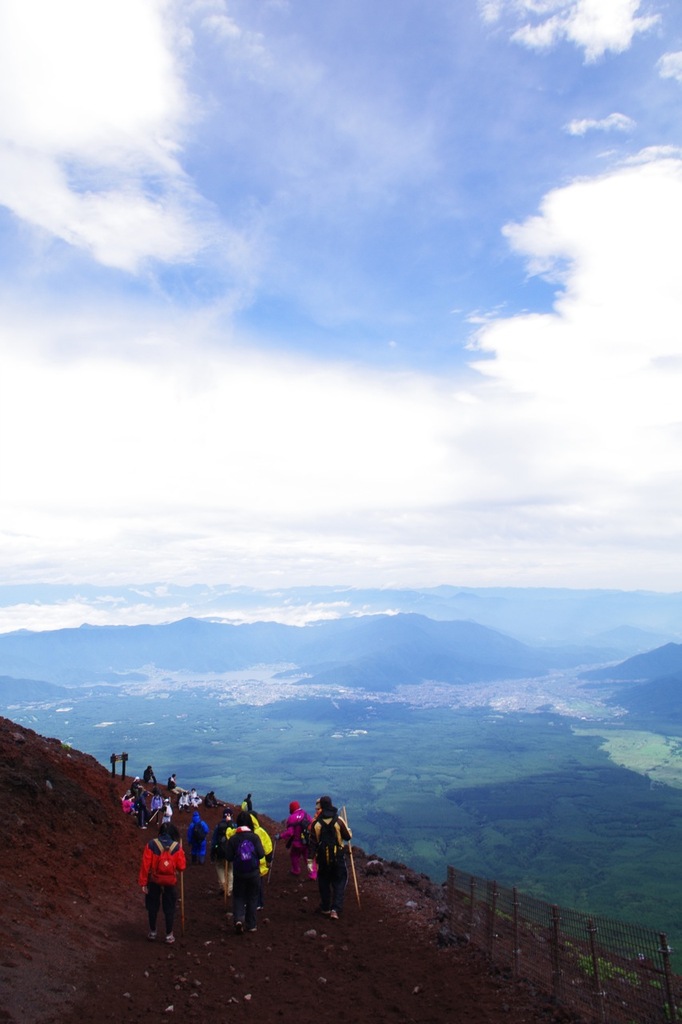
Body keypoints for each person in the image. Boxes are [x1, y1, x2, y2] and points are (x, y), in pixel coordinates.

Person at [138, 822, 186, 943]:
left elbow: (145, 865)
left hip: (154, 880)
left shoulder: (151, 844)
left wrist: (143, 883)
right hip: (170, 881)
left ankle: (153, 932)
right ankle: (169, 935)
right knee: (169, 908)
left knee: (152, 907)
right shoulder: (176, 847)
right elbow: (182, 867)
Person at [309, 795, 352, 921]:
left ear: (321, 807)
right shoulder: (338, 820)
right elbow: (348, 837)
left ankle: (325, 907)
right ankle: (335, 909)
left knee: (324, 882)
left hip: (323, 859)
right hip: (338, 857)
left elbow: (313, 843)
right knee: (340, 881)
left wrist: (310, 860)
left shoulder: (316, 824)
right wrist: (348, 830)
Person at [223, 810, 265, 933]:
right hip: (253, 873)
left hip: (239, 873)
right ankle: (251, 925)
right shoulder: (254, 837)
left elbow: (229, 857)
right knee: (252, 897)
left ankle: (238, 919)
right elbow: (261, 854)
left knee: (239, 897)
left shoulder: (234, 839)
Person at [277, 800, 316, 879]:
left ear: (292, 808)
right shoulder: (306, 814)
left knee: (294, 855)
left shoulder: (291, 818)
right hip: (306, 842)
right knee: (308, 857)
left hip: (297, 843)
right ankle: (313, 874)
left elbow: (290, 832)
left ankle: (296, 870)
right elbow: (311, 826)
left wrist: (280, 836)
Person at [249, 812, 274, 910]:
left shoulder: (243, 832)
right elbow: (268, 848)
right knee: (257, 884)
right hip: (260, 863)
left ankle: (256, 903)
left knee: (251, 884)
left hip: (248, 863)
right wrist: (269, 860)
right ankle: (258, 903)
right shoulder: (260, 832)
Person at [210, 809, 234, 895]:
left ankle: (223, 886)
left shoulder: (219, 826)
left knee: (220, 867)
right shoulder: (234, 825)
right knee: (230, 870)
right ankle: (229, 889)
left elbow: (214, 840)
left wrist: (212, 851)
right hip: (231, 852)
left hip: (220, 851)